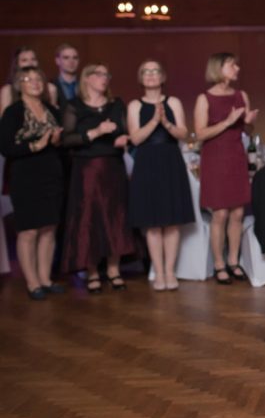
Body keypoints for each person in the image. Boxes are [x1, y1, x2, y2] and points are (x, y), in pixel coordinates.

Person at [60, 64, 137, 292]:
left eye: (107, 74)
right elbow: (67, 140)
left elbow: (126, 131)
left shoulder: (116, 104)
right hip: (87, 169)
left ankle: (114, 269)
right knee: (89, 218)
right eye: (100, 74)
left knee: (116, 216)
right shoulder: (74, 106)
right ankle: (92, 271)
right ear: (87, 78)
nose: (105, 78)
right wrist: (96, 132)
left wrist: (125, 139)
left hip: (113, 167)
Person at [126, 60, 194, 291]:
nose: (151, 75)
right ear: (141, 77)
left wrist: (165, 122)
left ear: (162, 77)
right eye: (146, 71)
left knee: (172, 222)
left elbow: (183, 133)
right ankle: (159, 272)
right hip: (146, 162)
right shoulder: (134, 105)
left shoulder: (173, 102)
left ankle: (170, 271)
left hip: (170, 160)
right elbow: (135, 139)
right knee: (152, 223)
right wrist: (154, 120)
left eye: (155, 71)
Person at [0, 66, 64, 300]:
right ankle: (32, 282)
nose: (35, 83)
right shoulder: (13, 112)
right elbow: (5, 147)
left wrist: (56, 141)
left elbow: (61, 144)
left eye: (39, 79)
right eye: (29, 79)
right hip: (25, 176)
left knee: (49, 228)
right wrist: (35, 145)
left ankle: (45, 279)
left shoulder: (51, 110)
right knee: (28, 230)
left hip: (51, 174)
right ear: (20, 85)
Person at [194, 53, 258, 284]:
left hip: (236, 156)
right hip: (214, 158)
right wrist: (228, 122)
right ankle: (219, 263)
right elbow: (200, 133)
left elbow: (247, 131)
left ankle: (233, 261)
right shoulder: (205, 98)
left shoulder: (242, 95)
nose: (237, 68)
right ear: (218, 68)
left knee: (238, 213)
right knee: (220, 213)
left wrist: (248, 122)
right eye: (232, 64)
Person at [0, 47, 57, 114]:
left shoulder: (50, 89)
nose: (30, 63)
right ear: (16, 64)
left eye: (33, 59)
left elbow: (53, 115)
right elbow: (4, 117)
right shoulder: (7, 90)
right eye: (24, 60)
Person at [53, 43, 81, 109]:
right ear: (57, 61)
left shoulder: (86, 84)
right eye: (66, 58)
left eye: (75, 58)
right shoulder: (50, 86)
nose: (71, 61)